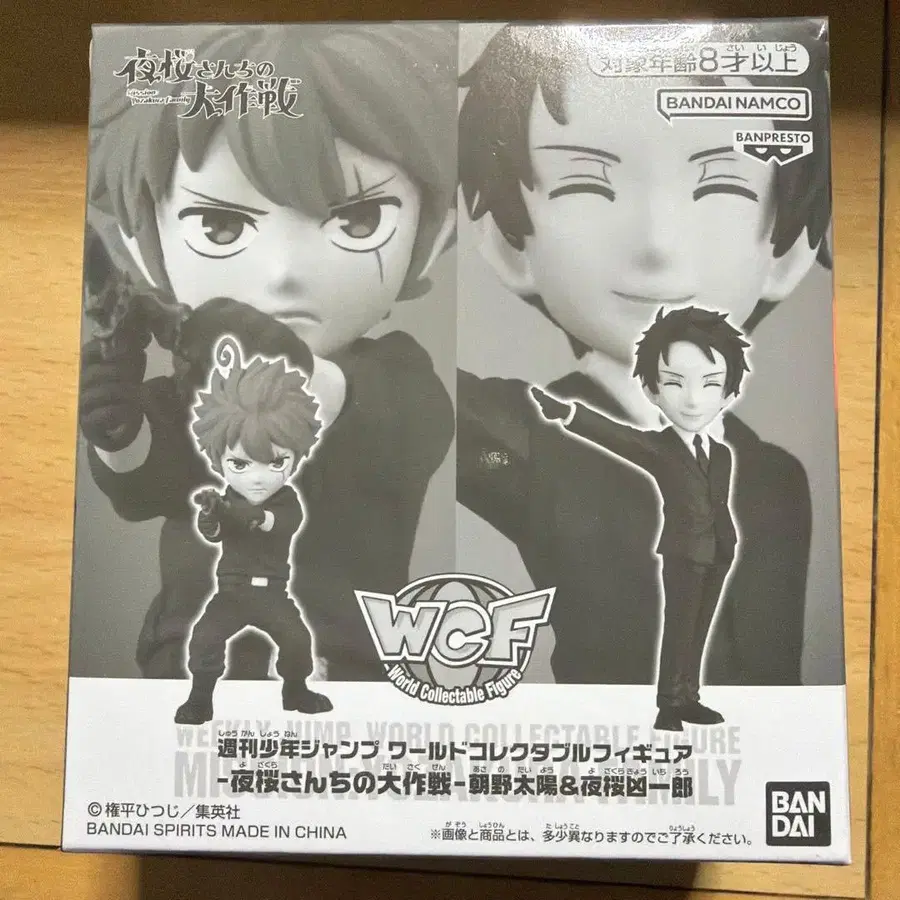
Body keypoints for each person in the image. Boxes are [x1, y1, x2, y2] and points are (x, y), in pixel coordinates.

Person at [78, 24, 457, 682]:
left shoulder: (399, 377)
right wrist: (118, 428)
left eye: (358, 220)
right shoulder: (188, 388)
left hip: (352, 664)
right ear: (143, 241)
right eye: (219, 225)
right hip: (190, 656)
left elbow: (375, 423)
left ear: (432, 231)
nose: (283, 272)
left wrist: (263, 347)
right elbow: (146, 485)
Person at [457, 23, 829, 687]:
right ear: (510, 245)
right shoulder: (523, 434)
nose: (658, 243)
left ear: (791, 251)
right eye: (585, 184)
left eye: (722, 185)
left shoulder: (775, 477)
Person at [532, 307, 749, 729]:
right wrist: (569, 414)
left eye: (710, 384)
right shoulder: (660, 448)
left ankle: (690, 697)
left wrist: (727, 542)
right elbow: (617, 436)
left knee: (700, 630)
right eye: (675, 383)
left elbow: (717, 502)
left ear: (727, 394)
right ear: (652, 390)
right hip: (684, 552)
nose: (693, 400)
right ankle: (669, 705)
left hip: (721, 550)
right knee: (680, 629)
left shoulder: (722, 453)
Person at [176, 335, 330, 724]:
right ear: (219, 460)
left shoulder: (287, 501)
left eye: (276, 462)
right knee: (205, 638)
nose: (258, 478)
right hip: (231, 591)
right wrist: (212, 513)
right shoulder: (227, 499)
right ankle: (200, 699)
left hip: (273, 593)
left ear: (295, 457)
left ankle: (295, 691)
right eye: (240, 464)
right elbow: (213, 532)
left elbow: (275, 523)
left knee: (298, 641)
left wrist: (240, 513)